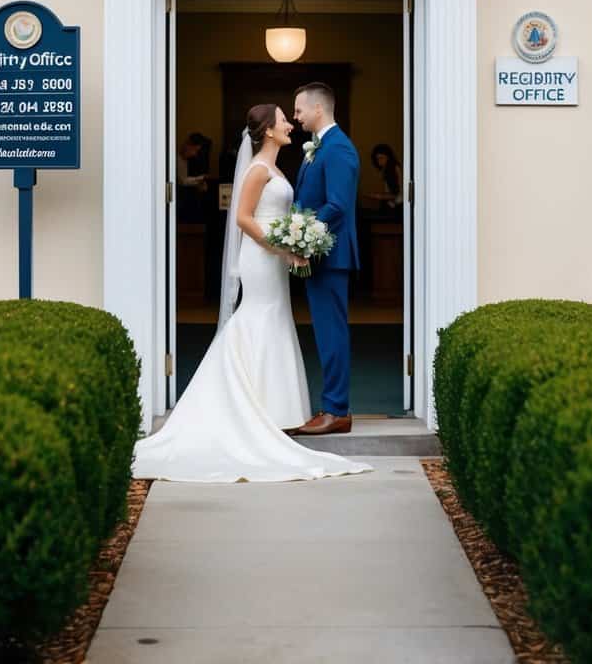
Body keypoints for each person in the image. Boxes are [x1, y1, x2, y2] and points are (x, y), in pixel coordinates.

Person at [131, 103, 373, 483]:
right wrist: (283, 246)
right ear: (268, 130)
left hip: (276, 256)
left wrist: (294, 239)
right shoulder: (258, 169)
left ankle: (274, 408)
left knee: (276, 319)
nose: (290, 122)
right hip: (262, 258)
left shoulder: (277, 166)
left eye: (292, 115)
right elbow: (243, 218)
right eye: (283, 119)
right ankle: (246, 405)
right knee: (258, 317)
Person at [287, 83, 360, 437]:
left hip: (330, 254)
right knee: (324, 330)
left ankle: (336, 411)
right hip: (319, 253)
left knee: (332, 331)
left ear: (318, 109)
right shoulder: (320, 147)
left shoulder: (339, 148)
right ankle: (331, 406)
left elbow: (338, 205)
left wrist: (301, 234)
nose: (296, 117)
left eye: (299, 110)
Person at [368, 143, 403, 214]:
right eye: (377, 159)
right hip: (390, 204)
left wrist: (380, 196)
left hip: (397, 206)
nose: (379, 161)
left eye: (381, 158)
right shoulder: (385, 169)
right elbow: (389, 192)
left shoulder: (396, 168)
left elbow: (400, 193)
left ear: (388, 157)